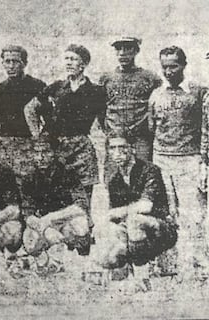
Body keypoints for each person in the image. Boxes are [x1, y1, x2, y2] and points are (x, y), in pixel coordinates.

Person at [24, 44, 106, 225]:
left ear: (83, 64)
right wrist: (37, 136)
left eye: (73, 59)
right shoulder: (56, 87)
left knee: (84, 194)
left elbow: (104, 122)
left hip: (81, 147)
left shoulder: (96, 91)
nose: (69, 63)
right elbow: (30, 108)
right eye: (66, 58)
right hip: (57, 147)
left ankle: (85, 235)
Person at [149, 46, 208, 278]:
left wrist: (204, 161)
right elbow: (152, 128)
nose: (169, 71)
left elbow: (206, 128)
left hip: (189, 160)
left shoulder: (197, 93)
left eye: (173, 66)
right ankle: (168, 265)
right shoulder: (156, 94)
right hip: (162, 159)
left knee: (193, 214)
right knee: (166, 213)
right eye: (164, 67)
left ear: (183, 65)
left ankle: (200, 265)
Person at [96, 133, 177, 289]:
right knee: (110, 251)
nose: (117, 153)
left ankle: (142, 278)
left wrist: (118, 212)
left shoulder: (149, 170)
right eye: (112, 148)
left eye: (122, 147)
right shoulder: (115, 180)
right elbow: (114, 217)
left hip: (161, 230)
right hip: (134, 233)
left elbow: (146, 207)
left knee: (135, 220)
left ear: (132, 149)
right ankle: (123, 271)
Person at [21, 138, 91, 272]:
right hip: (43, 225)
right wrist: (45, 229)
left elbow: (81, 205)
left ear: (54, 153)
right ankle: (47, 260)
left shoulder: (67, 172)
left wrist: (51, 218)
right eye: (36, 153)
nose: (40, 157)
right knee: (30, 241)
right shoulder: (29, 177)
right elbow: (27, 214)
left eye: (45, 152)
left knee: (81, 225)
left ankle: (78, 260)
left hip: (65, 222)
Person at [0, 45, 46, 184]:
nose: (11, 66)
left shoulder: (38, 87)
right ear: (2, 64)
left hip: (29, 145)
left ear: (24, 63)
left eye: (15, 61)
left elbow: (48, 119)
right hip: (4, 147)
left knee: (28, 187)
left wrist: (42, 144)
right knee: (5, 188)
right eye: (7, 61)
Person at [100, 37, 162, 163]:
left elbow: (157, 105)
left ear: (136, 51)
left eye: (128, 48)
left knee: (142, 173)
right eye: (118, 48)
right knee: (114, 175)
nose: (122, 53)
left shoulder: (149, 78)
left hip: (140, 139)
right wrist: (109, 130)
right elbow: (100, 109)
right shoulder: (107, 78)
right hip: (115, 137)